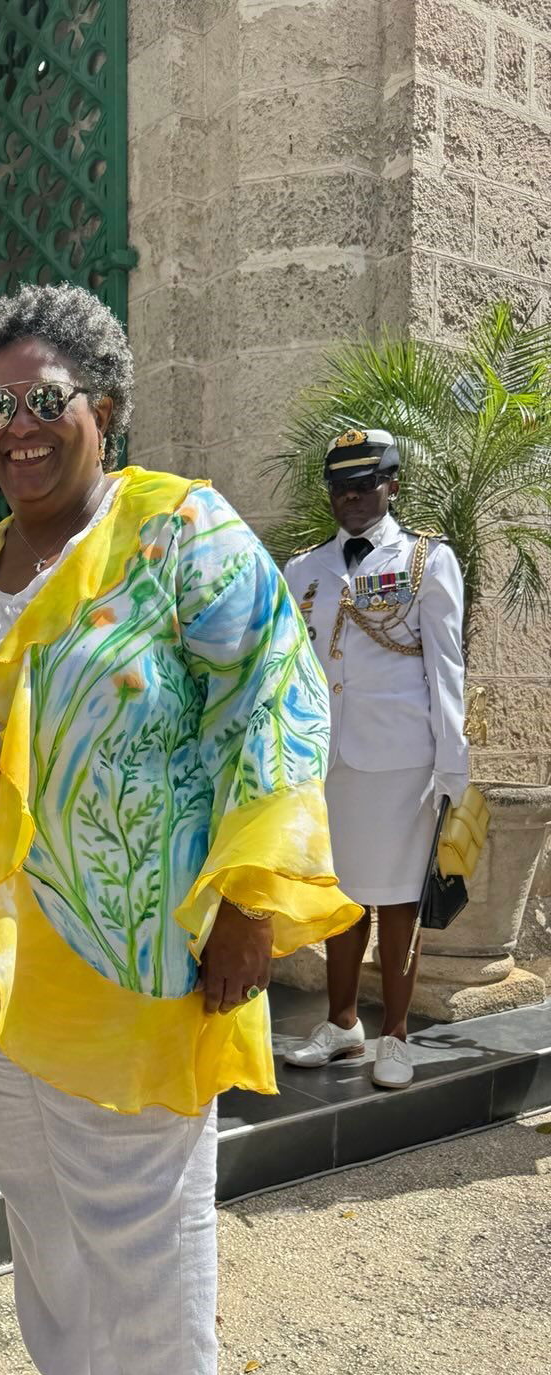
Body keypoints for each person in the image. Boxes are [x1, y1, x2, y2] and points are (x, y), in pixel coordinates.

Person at [0, 283, 359, 1375]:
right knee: (39, 1219)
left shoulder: (177, 534)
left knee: (148, 1234)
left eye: (46, 401)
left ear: (102, 406)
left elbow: (280, 694)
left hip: (142, 962)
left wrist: (256, 905)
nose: (20, 429)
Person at [282, 429, 468, 1090]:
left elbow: (446, 668)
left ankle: (394, 1032)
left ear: (392, 485)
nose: (352, 498)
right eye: (340, 487)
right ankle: (341, 1024)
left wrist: (453, 764)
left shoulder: (425, 560)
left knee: (394, 900)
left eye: (366, 484)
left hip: (400, 761)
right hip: (327, 760)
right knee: (340, 898)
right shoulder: (303, 570)